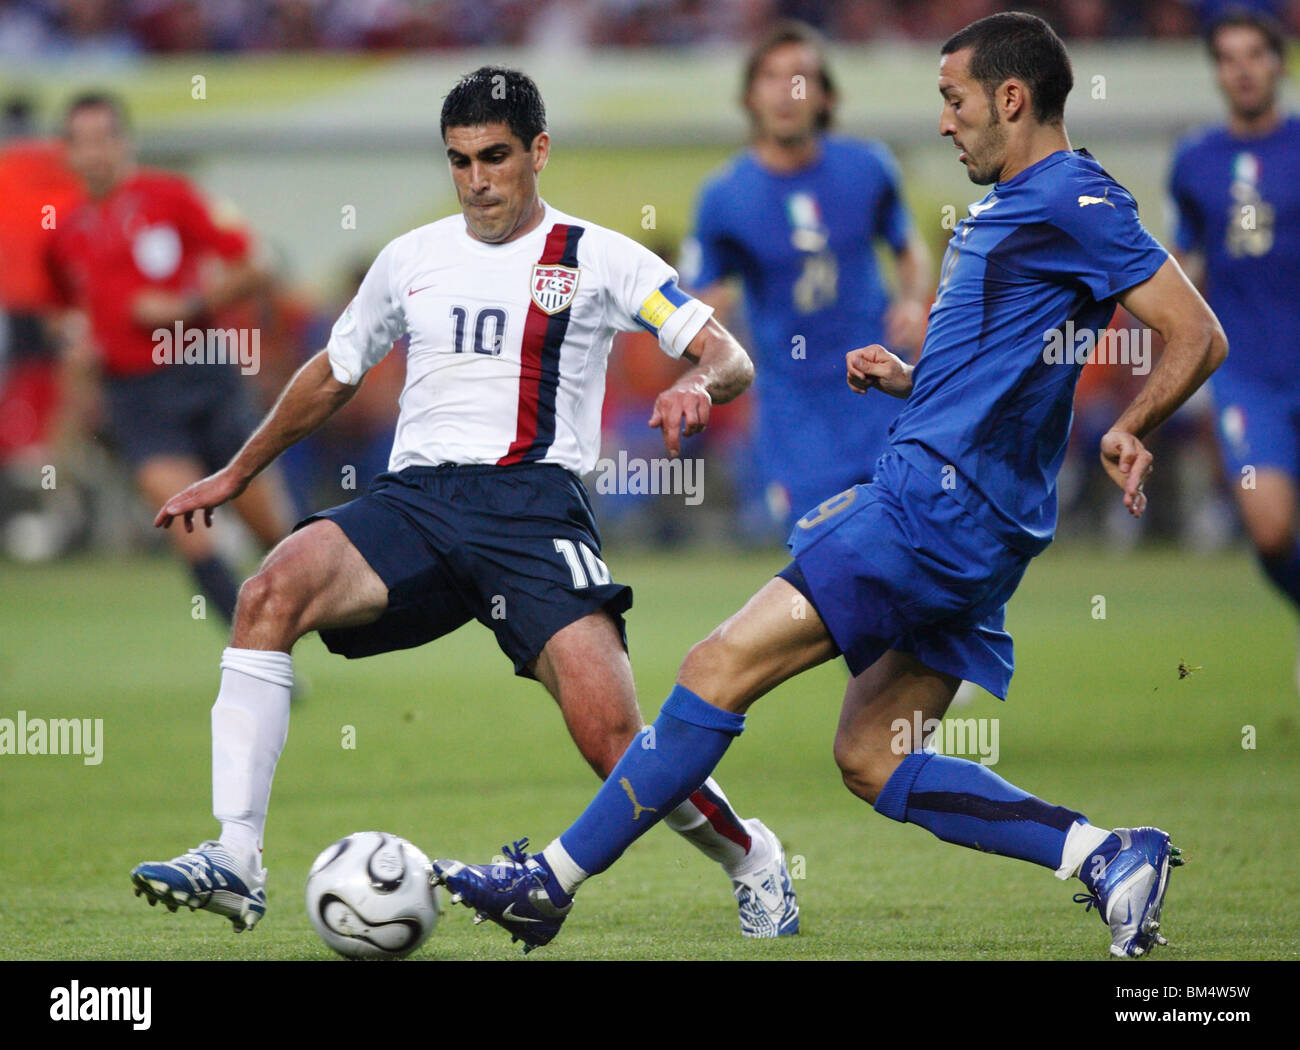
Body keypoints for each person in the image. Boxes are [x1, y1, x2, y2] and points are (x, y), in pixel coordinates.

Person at [432, 13, 1227, 960]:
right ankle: (1105, 854)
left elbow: (1197, 331)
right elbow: (1010, 355)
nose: (944, 121)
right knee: (874, 758)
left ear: (1012, 99)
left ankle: (547, 883)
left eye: (955, 99)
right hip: (976, 519)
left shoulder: (1071, 197)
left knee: (711, 669)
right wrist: (912, 379)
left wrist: (1133, 424)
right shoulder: (1023, 203)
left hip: (930, 508)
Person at [129, 67, 799, 940]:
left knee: (616, 742)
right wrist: (237, 472)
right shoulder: (411, 258)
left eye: (495, 157)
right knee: (266, 593)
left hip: (534, 510)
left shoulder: (598, 255)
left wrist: (699, 387)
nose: (478, 180)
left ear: (538, 152)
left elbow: (728, 354)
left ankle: (753, 858)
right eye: (459, 161)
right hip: (415, 502)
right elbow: (335, 372)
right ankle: (237, 856)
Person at [46, 92, 293, 623]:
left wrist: (187, 306)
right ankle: (254, 651)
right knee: (187, 524)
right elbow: (64, 315)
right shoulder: (65, 234)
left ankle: (329, 612)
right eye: (79, 141)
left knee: (269, 527)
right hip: (135, 395)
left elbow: (257, 264)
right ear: (66, 152)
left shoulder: (170, 196)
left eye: (103, 138)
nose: (93, 153)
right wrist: (79, 346)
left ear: (124, 142)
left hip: (200, 368)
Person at [680, 20, 932, 534]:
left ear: (825, 95)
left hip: (881, 392)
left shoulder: (868, 167)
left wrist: (912, 301)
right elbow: (702, 301)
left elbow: (910, 251)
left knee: (915, 547)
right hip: (793, 414)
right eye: (771, 77)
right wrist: (705, 343)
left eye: (801, 77)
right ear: (750, 95)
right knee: (827, 557)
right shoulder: (725, 196)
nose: (786, 92)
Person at [1168, 8, 1300, 689]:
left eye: (1255, 53)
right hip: (1248, 374)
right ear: (1217, 69)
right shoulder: (1195, 161)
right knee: (1272, 529)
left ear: (1279, 61)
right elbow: (1183, 268)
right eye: (1229, 56)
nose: (1243, 68)